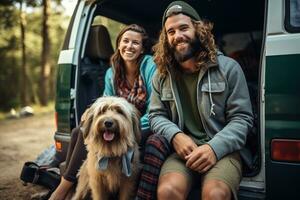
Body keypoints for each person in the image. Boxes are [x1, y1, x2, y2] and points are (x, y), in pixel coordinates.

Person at [147, 1, 254, 200]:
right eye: (171, 32)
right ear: (165, 38)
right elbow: (155, 115)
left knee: (215, 194)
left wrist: (214, 148)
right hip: (183, 153)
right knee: (167, 192)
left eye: (183, 28)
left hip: (223, 150)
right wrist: (175, 136)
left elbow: (243, 119)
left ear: (199, 29)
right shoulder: (161, 75)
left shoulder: (229, 68)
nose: (177, 35)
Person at [49, 24, 158, 200]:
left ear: (142, 48)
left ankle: (63, 190)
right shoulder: (111, 71)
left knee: (93, 132)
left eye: (135, 43)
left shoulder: (150, 66)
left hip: (143, 123)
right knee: (80, 130)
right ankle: (66, 185)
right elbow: (107, 100)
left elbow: (155, 108)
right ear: (119, 44)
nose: (129, 46)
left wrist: (129, 126)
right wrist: (90, 113)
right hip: (118, 120)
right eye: (125, 41)